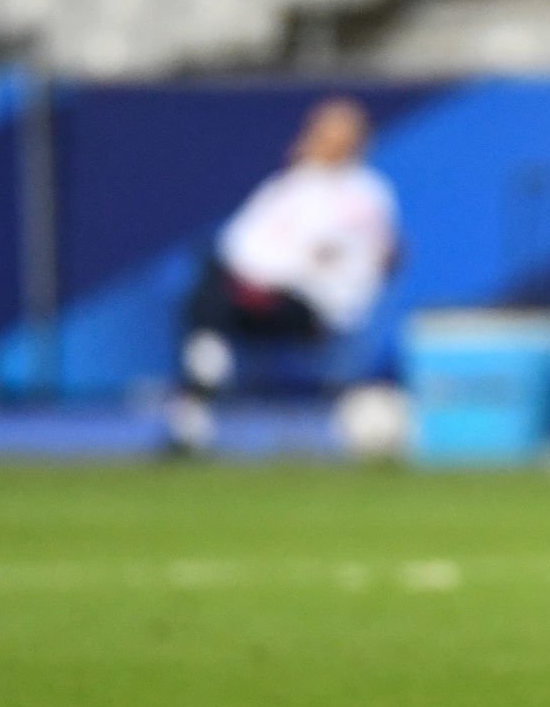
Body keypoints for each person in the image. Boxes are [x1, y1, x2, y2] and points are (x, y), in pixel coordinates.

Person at [168, 97, 397, 452]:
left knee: (213, 301)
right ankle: (196, 407)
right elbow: (238, 241)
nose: (317, 140)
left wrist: (264, 277)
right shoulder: (293, 184)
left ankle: (199, 397)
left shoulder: (364, 194)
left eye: (331, 134)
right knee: (208, 291)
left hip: (312, 306)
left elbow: (327, 258)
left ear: (355, 141)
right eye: (318, 130)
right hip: (249, 289)